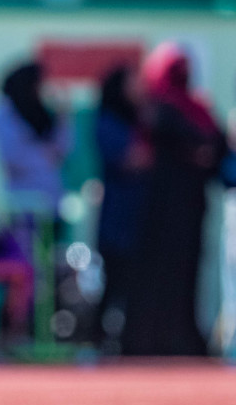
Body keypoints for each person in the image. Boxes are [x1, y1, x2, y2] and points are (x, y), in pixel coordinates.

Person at [120, 44, 225, 356]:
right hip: (177, 208)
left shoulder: (165, 108)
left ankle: (169, 339)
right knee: (168, 275)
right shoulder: (187, 109)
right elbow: (209, 147)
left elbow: (212, 149)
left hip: (167, 208)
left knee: (175, 276)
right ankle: (158, 339)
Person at [92, 65, 149, 348]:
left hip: (140, 218)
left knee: (137, 286)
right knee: (113, 282)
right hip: (117, 218)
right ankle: (97, 341)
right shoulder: (109, 121)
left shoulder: (138, 119)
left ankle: (130, 340)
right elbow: (133, 159)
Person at [0, 60, 72, 207]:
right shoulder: (2, 112)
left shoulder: (43, 112)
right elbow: (13, 156)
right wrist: (46, 156)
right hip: (22, 202)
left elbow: (63, 150)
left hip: (51, 201)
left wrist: (62, 115)